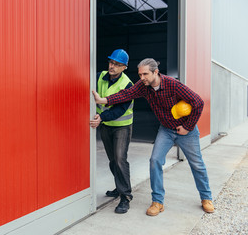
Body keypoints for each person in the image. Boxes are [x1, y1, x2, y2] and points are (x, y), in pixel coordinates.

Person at [92, 58, 215, 216]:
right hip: (166, 130)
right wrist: (105, 100)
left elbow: (198, 102)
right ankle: (158, 201)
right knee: (155, 161)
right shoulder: (144, 86)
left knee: (197, 164)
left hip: (186, 131)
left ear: (156, 72)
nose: (142, 78)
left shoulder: (173, 85)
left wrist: (187, 127)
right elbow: (126, 94)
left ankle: (206, 198)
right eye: (140, 74)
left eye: (145, 74)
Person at [90, 49, 134, 214]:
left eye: (117, 64)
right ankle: (119, 186)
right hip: (106, 125)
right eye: (111, 62)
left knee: (120, 159)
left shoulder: (127, 84)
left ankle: (125, 196)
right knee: (112, 160)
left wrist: (101, 117)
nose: (112, 66)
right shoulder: (100, 76)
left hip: (122, 126)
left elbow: (119, 110)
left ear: (124, 67)